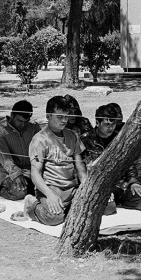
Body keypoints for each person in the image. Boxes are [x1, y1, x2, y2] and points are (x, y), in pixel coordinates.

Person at [22, 96, 88, 226]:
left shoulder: (72, 135)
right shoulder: (39, 139)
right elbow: (35, 173)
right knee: (54, 218)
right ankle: (32, 204)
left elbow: (80, 165)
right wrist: (49, 195)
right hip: (52, 188)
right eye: (59, 117)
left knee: (107, 207)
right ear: (48, 116)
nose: (64, 120)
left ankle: (67, 208)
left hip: (72, 188)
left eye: (66, 116)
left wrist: (87, 187)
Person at [0, 100, 40, 201]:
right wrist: (16, 174)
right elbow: (5, 158)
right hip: (9, 172)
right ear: (12, 115)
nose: (23, 125)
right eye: (20, 121)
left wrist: (36, 170)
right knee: (19, 192)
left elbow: (41, 150)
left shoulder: (33, 126)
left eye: (26, 121)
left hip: (31, 170)